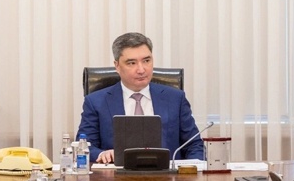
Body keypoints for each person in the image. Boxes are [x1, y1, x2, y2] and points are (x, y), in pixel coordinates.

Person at [77, 32, 204, 164]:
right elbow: (84, 146)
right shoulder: (96, 102)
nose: (141, 70)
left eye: (146, 61)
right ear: (117, 66)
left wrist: (192, 170)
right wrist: (102, 154)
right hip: (116, 174)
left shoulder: (175, 98)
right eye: (132, 63)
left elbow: (194, 145)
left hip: (167, 174)